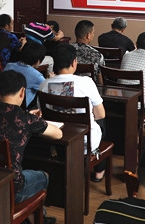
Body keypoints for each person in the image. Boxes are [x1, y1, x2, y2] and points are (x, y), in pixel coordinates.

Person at [0, 70, 62, 204]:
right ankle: (38, 212)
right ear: (22, 92)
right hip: (12, 188)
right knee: (44, 176)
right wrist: (34, 119)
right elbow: (58, 134)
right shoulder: (26, 119)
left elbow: (5, 119)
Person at [38, 44, 107, 180]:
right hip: (85, 142)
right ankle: (99, 169)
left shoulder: (44, 84)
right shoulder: (86, 82)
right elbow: (101, 114)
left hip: (56, 140)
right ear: (74, 62)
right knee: (102, 122)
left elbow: (42, 114)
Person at [4, 42, 47, 108]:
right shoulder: (37, 76)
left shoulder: (8, 65)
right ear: (38, 61)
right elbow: (48, 90)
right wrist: (50, 79)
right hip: (19, 109)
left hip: (1, 104)